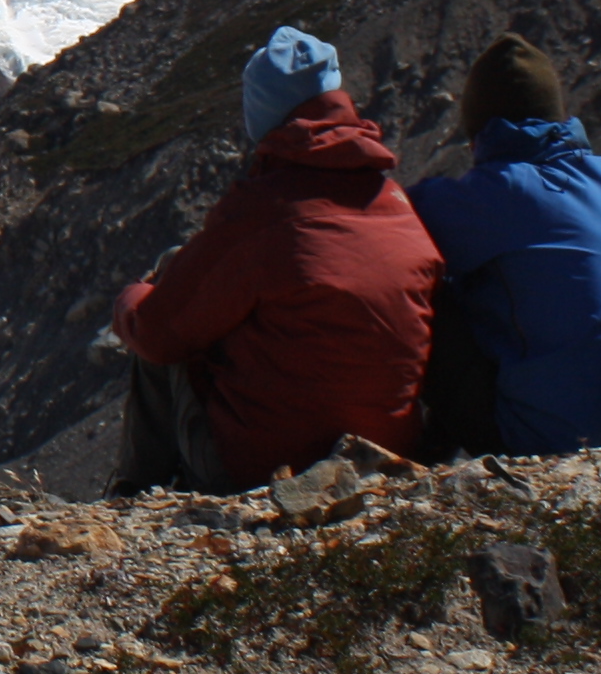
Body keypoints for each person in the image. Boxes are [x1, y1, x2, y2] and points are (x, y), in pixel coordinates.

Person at [110, 26, 441, 493]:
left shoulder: (261, 211)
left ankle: (130, 495)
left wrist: (133, 299)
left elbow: (159, 333)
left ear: (261, 115)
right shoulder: (395, 203)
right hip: (388, 464)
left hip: (268, 473)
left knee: (165, 312)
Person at [409, 33, 601, 455]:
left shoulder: (501, 192)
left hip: (554, 439)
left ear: (479, 130)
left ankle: (416, 458)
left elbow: (390, 220)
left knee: (424, 291)